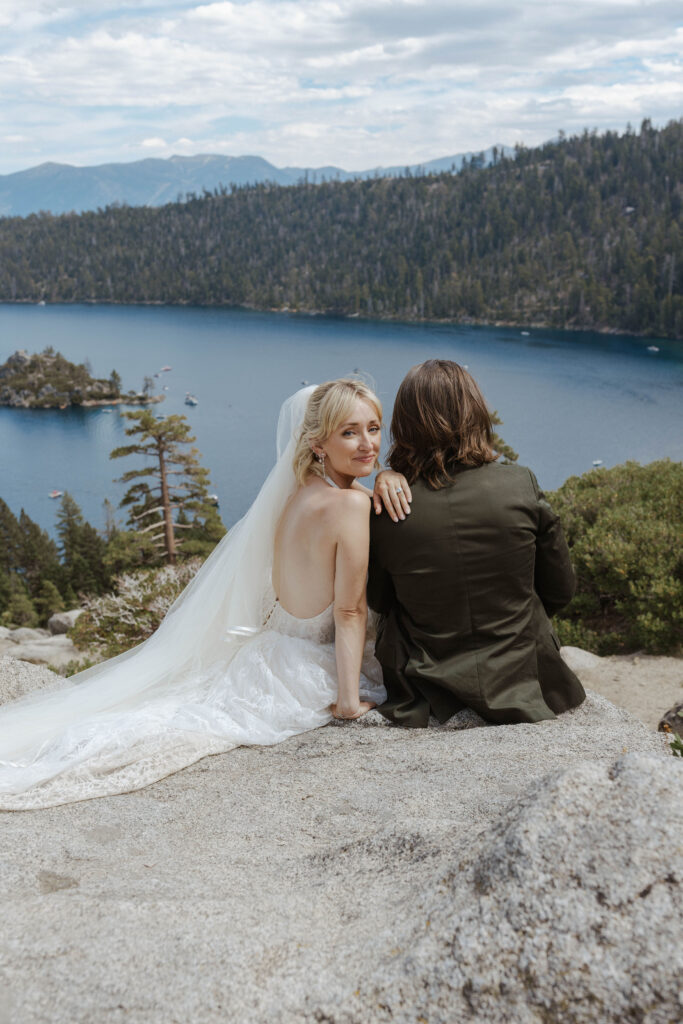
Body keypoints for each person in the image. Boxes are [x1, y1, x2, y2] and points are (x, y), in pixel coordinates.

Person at [0, 380, 403, 810]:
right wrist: (346, 702)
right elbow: (348, 610)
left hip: (265, 656)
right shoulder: (350, 506)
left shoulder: (300, 490)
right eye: (349, 432)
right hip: (308, 666)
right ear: (318, 442)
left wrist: (385, 476)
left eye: (374, 428)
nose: (367, 444)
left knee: (160, 720)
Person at [369, 359, 586, 728]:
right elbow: (561, 590)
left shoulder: (388, 507)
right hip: (527, 679)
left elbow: (379, 601)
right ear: (475, 413)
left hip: (426, 689)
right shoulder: (521, 483)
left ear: (404, 424)